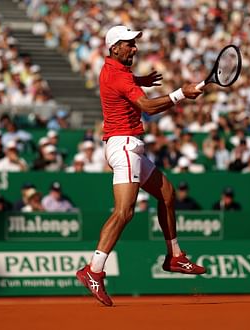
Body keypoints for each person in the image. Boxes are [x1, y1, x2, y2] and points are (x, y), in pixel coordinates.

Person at [75, 25, 205, 307]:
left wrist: (141, 79)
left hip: (129, 146)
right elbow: (146, 106)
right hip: (124, 146)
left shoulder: (115, 70)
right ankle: (93, 270)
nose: (134, 48)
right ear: (115, 48)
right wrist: (180, 94)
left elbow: (124, 82)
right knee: (124, 212)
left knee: (168, 195)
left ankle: (174, 256)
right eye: (129, 44)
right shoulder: (117, 75)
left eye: (135, 43)